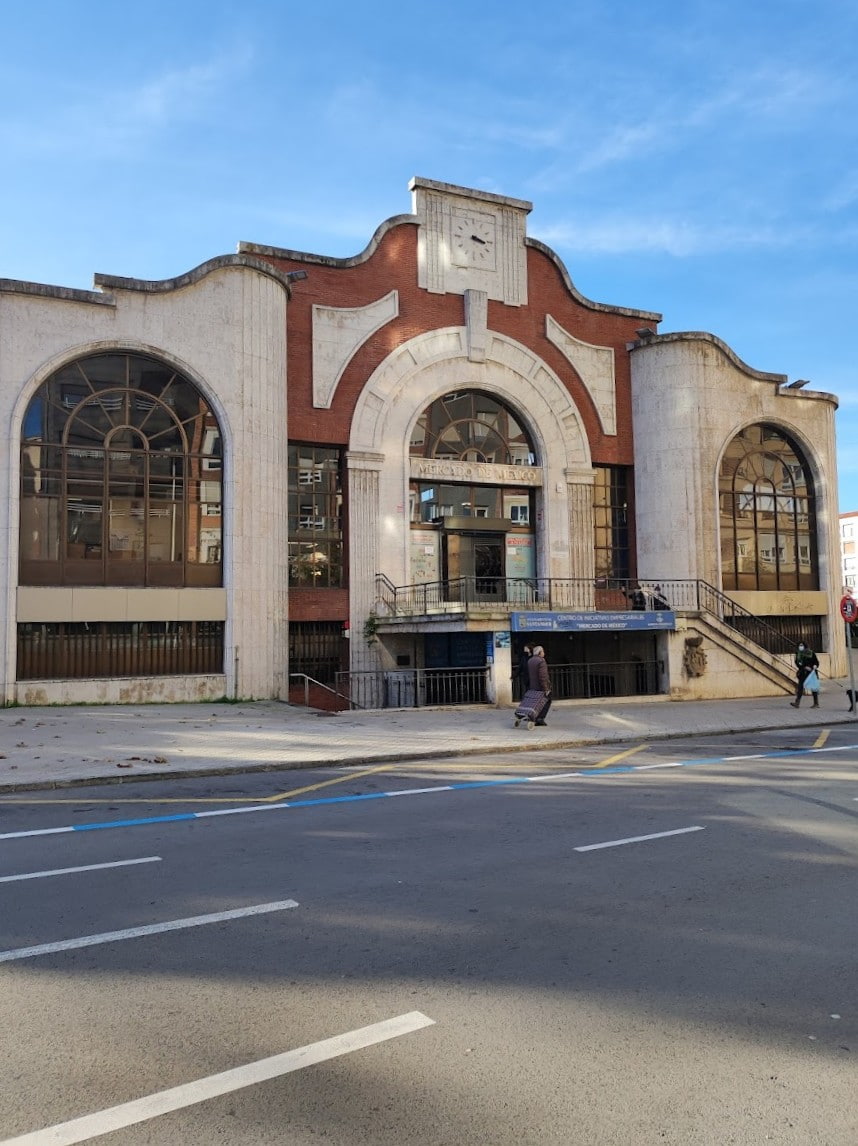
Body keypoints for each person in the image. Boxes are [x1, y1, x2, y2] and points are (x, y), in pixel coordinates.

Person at [527, 644, 552, 725]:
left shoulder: (530, 660)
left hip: (533, 685)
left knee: (535, 702)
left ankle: (533, 716)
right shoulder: (541, 661)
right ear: (540, 652)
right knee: (547, 701)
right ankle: (540, 718)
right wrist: (546, 688)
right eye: (543, 651)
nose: (544, 653)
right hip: (540, 686)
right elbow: (543, 676)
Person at [790, 642, 820, 708]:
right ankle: (797, 702)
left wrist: (814, 666)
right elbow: (797, 663)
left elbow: (816, 662)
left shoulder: (811, 653)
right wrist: (804, 667)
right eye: (799, 645)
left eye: (802, 645)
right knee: (800, 687)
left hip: (811, 672)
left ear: (805, 646)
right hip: (803, 672)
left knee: (813, 687)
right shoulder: (798, 654)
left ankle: (816, 703)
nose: (800, 647)